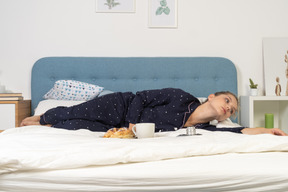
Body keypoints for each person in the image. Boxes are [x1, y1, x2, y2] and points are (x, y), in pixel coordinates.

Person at [21, 88, 287, 136]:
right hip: (121, 106)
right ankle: (41, 116)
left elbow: (241, 130)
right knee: (70, 113)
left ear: (224, 116)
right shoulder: (181, 97)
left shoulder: (204, 128)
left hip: (124, 130)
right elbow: (141, 97)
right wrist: (131, 123)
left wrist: (268, 130)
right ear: (212, 97)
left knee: (77, 126)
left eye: (231, 109)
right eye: (227, 100)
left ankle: (44, 126)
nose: (228, 106)